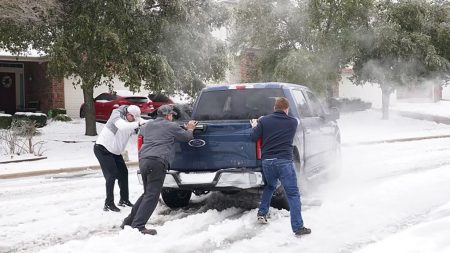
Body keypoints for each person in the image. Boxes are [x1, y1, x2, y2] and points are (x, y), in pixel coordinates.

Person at [121, 104, 197, 235]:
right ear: (168, 115)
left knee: (147, 193)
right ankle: (138, 226)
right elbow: (187, 138)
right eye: (172, 115)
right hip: (157, 162)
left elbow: (156, 131)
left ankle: (128, 222)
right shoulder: (171, 126)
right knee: (152, 196)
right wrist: (189, 129)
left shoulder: (147, 126)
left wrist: (179, 128)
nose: (172, 117)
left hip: (144, 161)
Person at [250, 97, 311, 237]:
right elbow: (295, 120)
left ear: (274, 108)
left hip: (267, 162)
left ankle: (261, 214)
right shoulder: (292, 122)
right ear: (286, 109)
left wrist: (255, 125)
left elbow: (253, 137)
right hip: (284, 162)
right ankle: (298, 227)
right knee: (293, 194)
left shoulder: (264, 121)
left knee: (270, 186)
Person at [94, 104, 147, 212]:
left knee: (123, 173)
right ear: (128, 114)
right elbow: (123, 126)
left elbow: (142, 122)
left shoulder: (133, 119)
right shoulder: (116, 115)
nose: (134, 121)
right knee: (111, 175)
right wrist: (138, 123)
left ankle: (124, 200)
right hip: (103, 149)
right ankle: (108, 203)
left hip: (115, 152)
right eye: (133, 118)